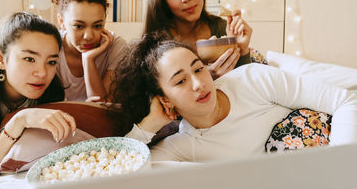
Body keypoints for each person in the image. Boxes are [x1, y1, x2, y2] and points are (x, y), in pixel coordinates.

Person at [112, 32, 357, 162]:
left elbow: (346, 100)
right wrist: (149, 126)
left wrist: (337, 168)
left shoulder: (253, 79)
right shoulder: (183, 146)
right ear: (164, 99)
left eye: (198, 69)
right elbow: (125, 178)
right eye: (180, 81)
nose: (199, 84)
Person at [0, 12, 76, 175]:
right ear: (0, 59)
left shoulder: (52, 89)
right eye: (29, 59)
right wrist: (20, 120)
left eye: (51, 62)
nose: (42, 73)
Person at [145, 0, 253, 80]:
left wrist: (241, 49)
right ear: (164, 3)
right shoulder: (157, 44)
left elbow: (247, 87)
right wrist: (207, 77)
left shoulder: (223, 29)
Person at [52, 0, 127, 101]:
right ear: (62, 22)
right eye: (79, 26)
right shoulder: (51, 44)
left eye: (97, 26)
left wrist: (88, 60)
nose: (88, 36)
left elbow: (101, 107)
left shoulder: (116, 46)